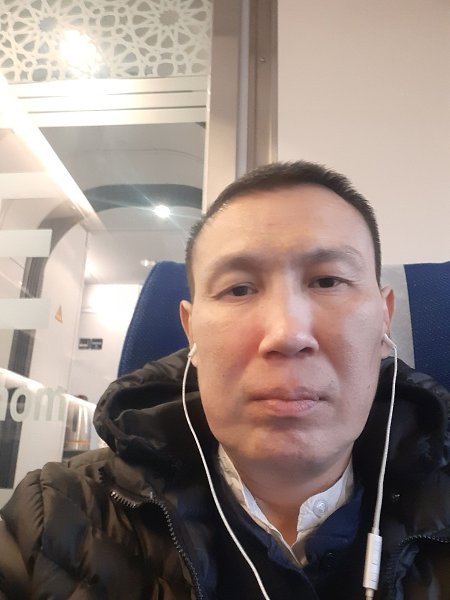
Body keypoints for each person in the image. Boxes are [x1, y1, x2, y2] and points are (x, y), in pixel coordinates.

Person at [0, 161, 449, 600]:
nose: (287, 334)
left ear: (384, 318)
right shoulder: (51, 517)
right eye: (239, 289)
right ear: (191, 331)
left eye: (328, 281)